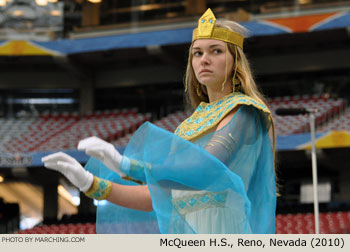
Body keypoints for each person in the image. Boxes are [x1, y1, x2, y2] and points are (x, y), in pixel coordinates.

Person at [42, 8, 277, 234]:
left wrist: (125, 164)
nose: (204, 60)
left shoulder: (245, 111)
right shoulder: (187, 127)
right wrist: (89, 183)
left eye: (216, 51)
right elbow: (152, 197)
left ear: (235, 62)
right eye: (198, 53)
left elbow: (206, 169)